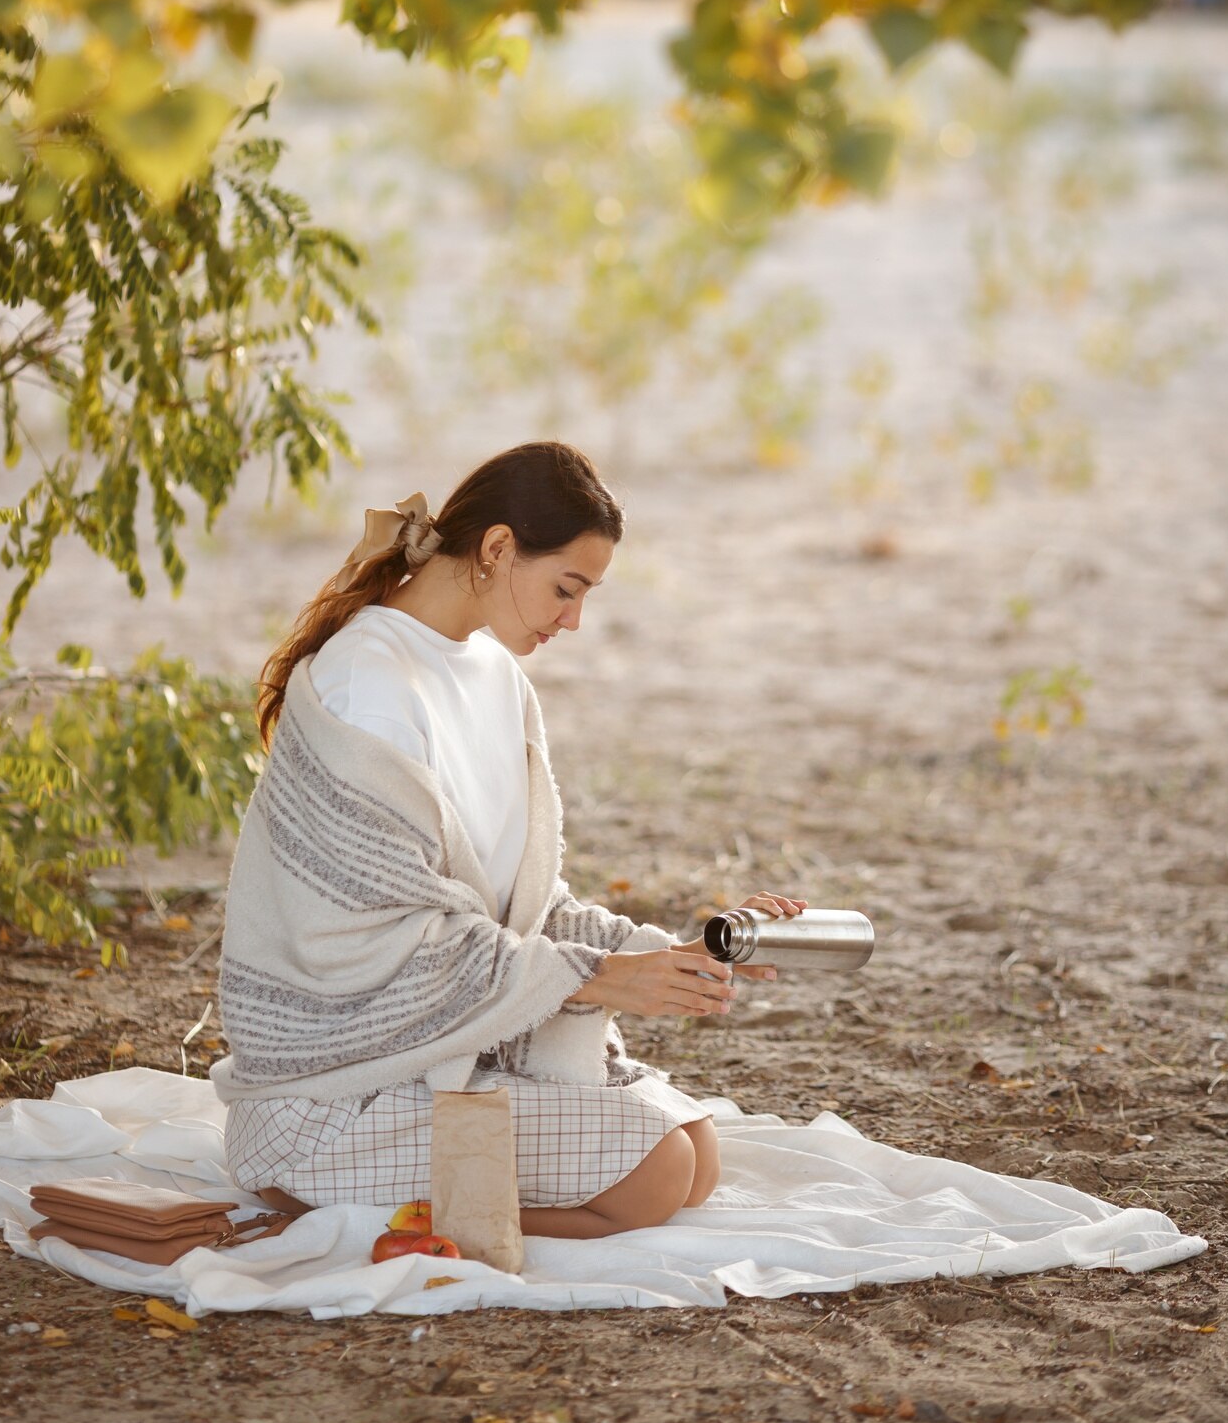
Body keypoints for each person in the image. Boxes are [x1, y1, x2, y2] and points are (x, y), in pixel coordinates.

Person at [211, 439, 805, 1239]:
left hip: (433, 1049)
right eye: (566, 588)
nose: (575, 619)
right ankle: (332, 1201)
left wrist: (682, 953)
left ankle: (418, 1202)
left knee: (695, 1151)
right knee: (659, 1171)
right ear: (496, 548)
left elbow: (523, 906)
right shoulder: (367, 684)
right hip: (331, 1093)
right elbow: (380, 946)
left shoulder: (495, 678)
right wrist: (597, 979)